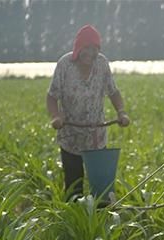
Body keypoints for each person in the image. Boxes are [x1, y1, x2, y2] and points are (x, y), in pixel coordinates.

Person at [46, 24, 130, 201]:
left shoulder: (102, 64)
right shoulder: (65, 65)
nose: (90, 54)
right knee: (73, 187)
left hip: (96, 137)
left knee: (102, 188)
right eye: (86, 49)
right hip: (71, 137)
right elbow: (52, 96)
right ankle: (75, 219)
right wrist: (56, 117)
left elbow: (113, 91)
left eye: (94, 49)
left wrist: (121, 112)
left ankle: (101, 217)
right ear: (78, 49)